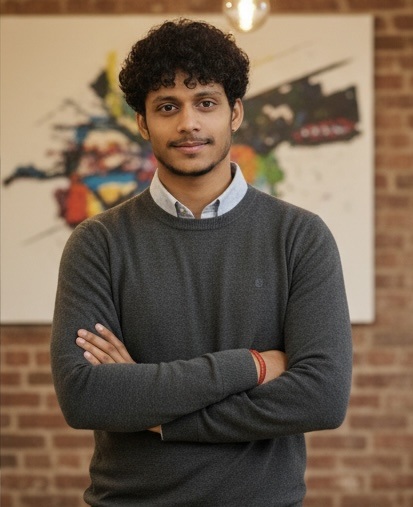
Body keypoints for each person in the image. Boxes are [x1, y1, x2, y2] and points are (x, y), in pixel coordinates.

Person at [51, 18, 352, 507]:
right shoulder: (98, 243)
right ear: (143, 122)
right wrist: (252, 365)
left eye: (206, 103)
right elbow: (86, 396)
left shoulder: (300, 237)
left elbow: (321, 397)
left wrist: (158, 416)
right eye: (167, 106)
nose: (188, 123)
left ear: (235, 113)